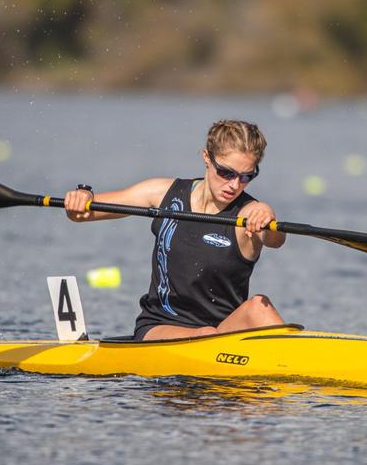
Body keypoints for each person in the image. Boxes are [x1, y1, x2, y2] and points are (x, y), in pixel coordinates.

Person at [63, 119, 287, 340]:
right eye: (227, 173)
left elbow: (274, 239)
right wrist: (83, 198)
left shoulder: (251, 213)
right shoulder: (161, 193)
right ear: (207, 158)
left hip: (224, 331)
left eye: (247, 176)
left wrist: (267, 218)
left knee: (259, 306)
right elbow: (83, 214)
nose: (234, 185)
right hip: (160, 326)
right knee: (206, 335)